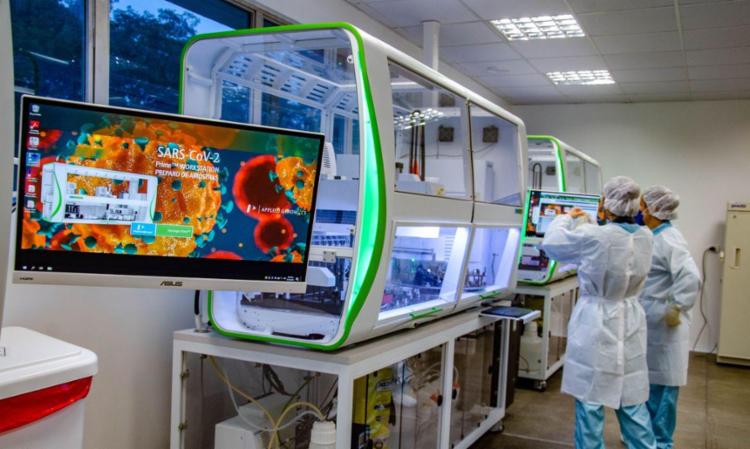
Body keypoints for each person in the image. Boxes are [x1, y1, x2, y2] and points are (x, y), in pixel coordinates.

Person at [541, 176, 656, 449]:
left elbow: (553, 244)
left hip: (596, 319)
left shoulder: (593, 236)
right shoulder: (646, 236)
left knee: (590, 398)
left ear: (606, 204)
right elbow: (615, 245)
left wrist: (566, 218)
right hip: (630, 317)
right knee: (631, 397)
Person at [638, 186, 702, 449]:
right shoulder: (652, 235)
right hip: (652, 321)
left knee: (663, 386)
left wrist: (676, 306)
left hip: (666, 324)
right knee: (649, 383)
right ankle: (644, 437)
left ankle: (660, 441)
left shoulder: (669, 239)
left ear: (653, 209)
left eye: (642, 206)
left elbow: (691, 276)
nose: (639, 210)